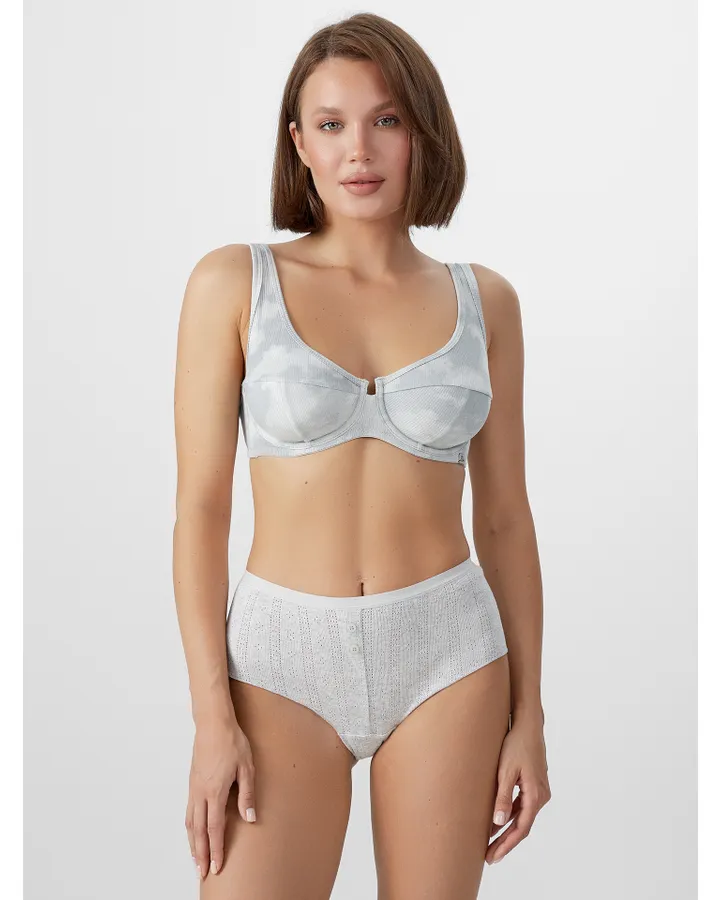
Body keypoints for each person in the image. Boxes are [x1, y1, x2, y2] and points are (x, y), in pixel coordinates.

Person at [173, 11, 550, 898]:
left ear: (422, 132)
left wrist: (529, 714)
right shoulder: (235, 283)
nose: (359, 150)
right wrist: (210, 717)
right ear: (298, 144)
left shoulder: (486, 301)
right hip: (278, 660)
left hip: (450, 653)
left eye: (386, 119)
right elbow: (200, 510)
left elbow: (505, 518)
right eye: (332, 124)